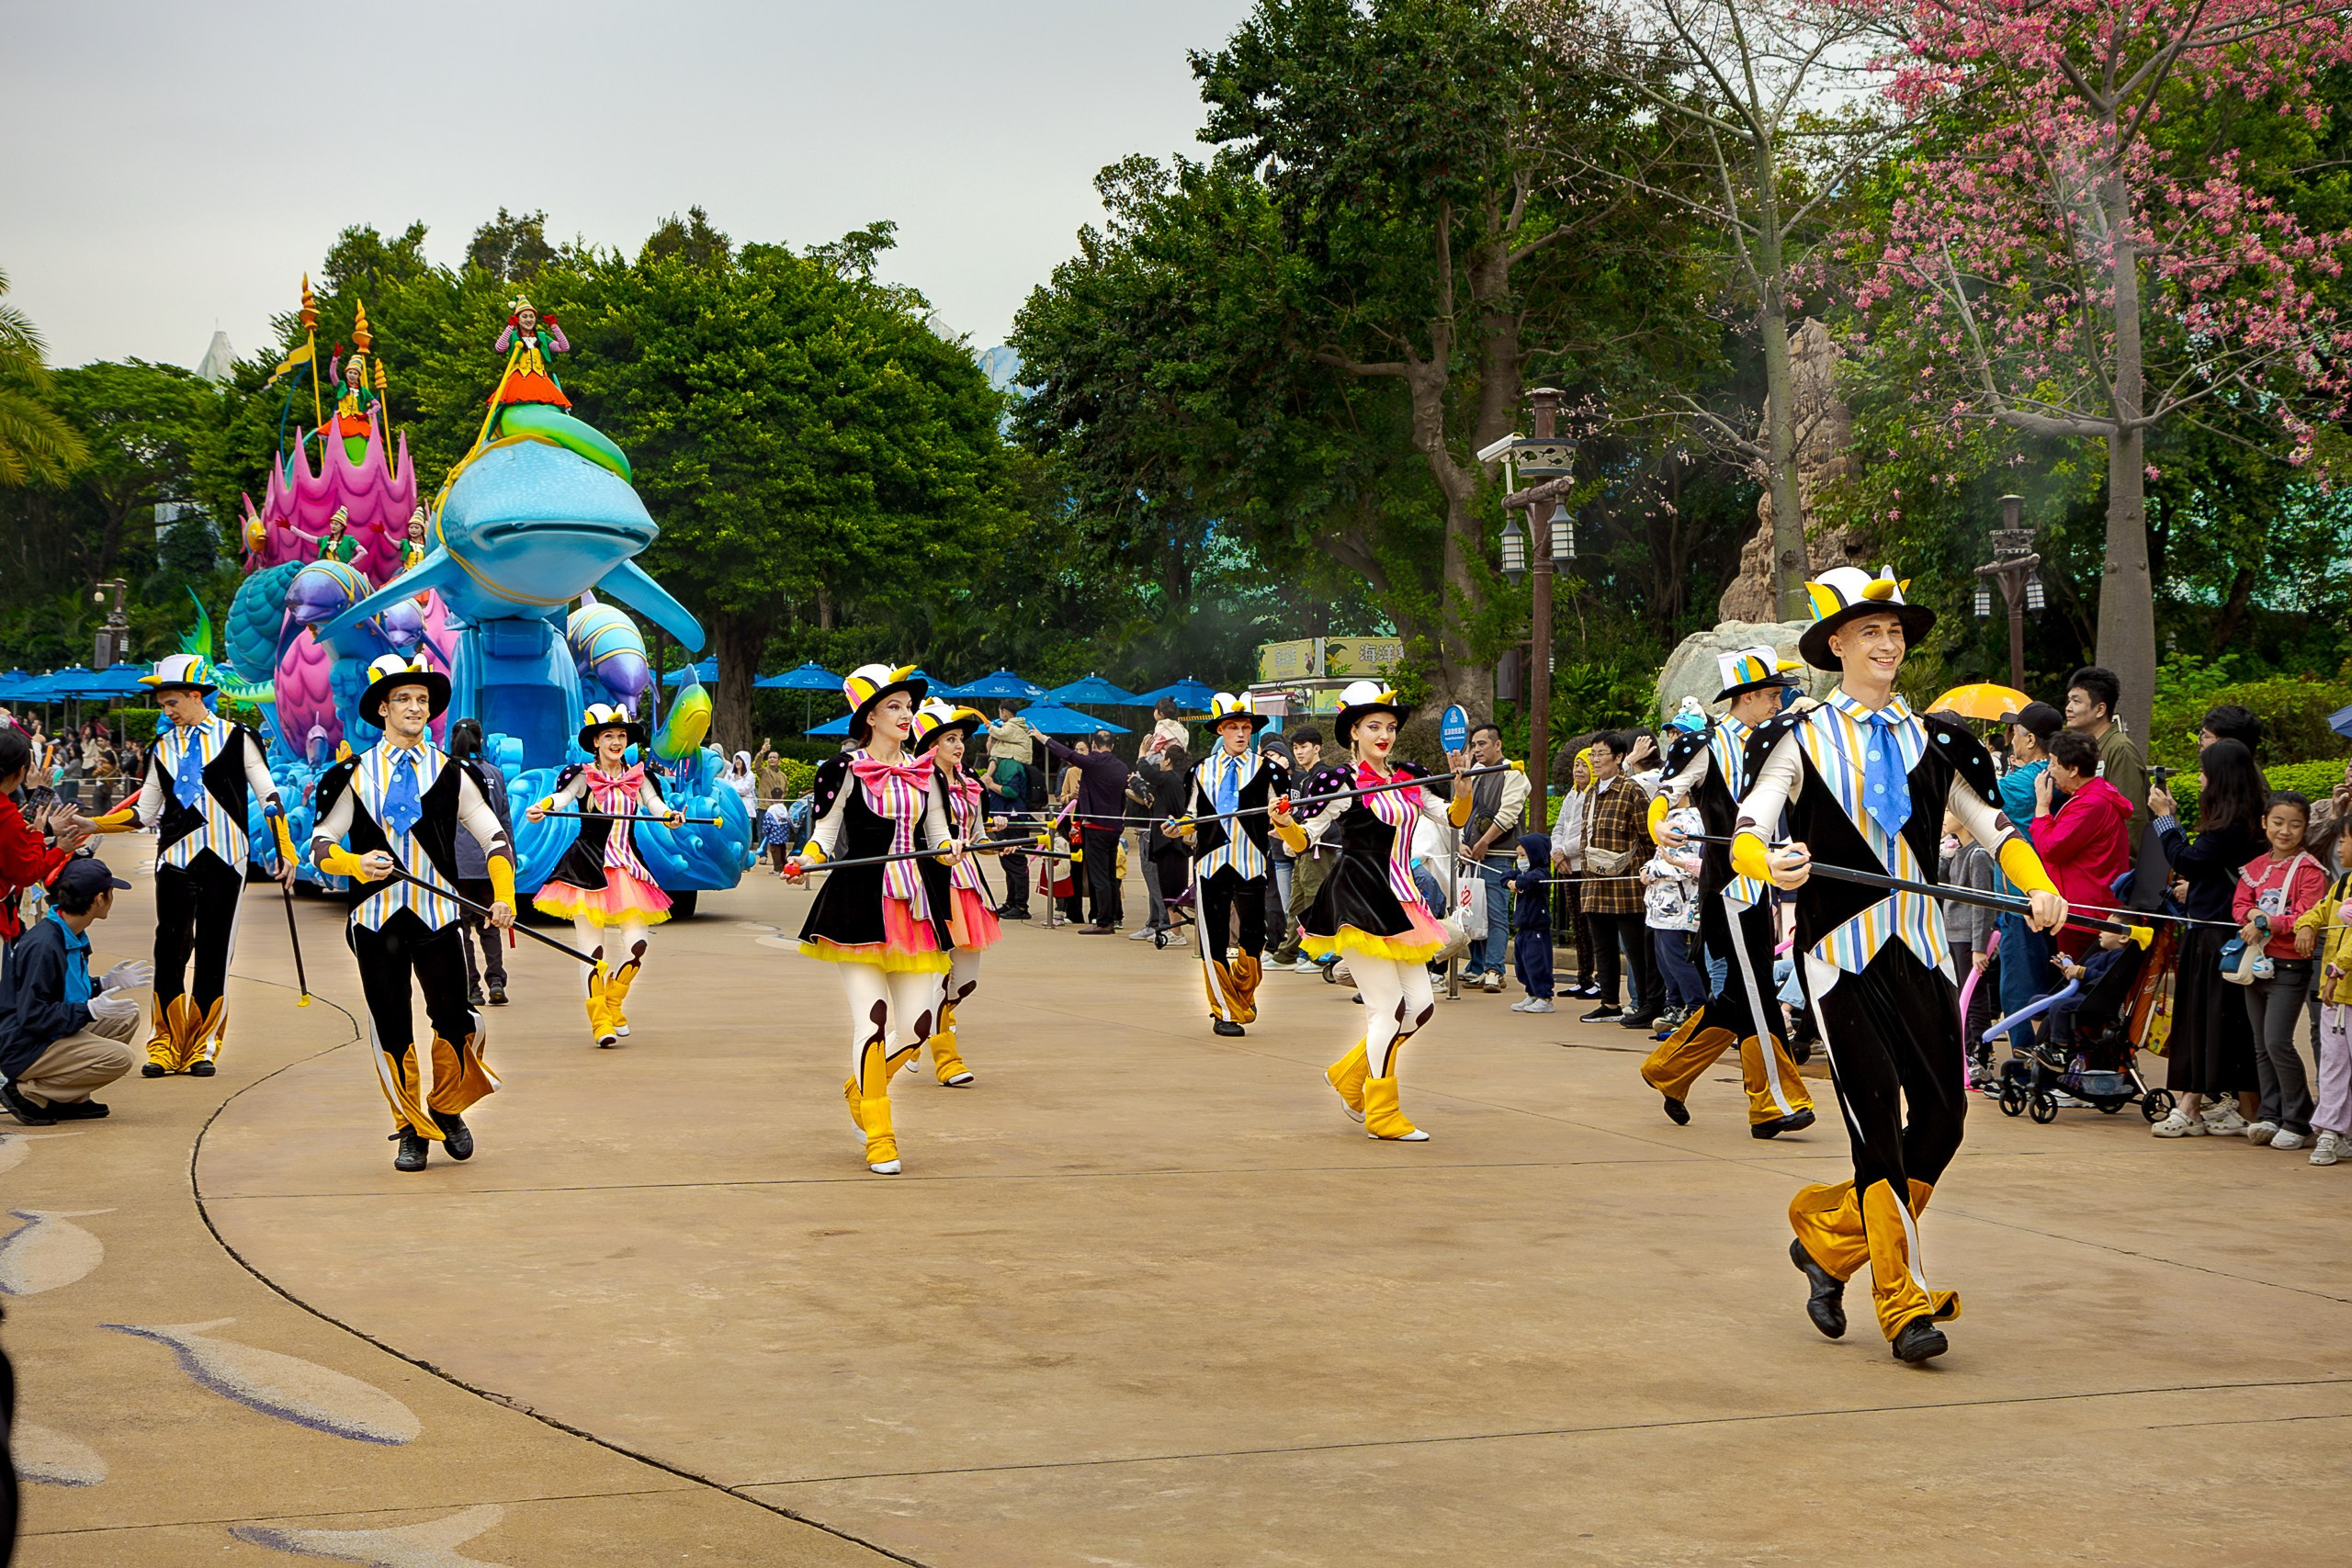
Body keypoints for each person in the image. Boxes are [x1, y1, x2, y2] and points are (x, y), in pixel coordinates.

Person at [1736, 566, 2066, 1363]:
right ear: (1837, 644)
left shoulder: (1936, 739)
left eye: (1896, 633)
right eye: (1871, 632)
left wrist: (2040, 886)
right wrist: (1766, 863)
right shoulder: (1799, 736)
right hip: (1840, 956)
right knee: (1874, 1120)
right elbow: (1752, 824)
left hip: (1920, 949)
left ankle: (1828, 1241)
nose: (1888, 644)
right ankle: (1902, 1301)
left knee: (1946, 1119)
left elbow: (1994, 827)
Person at [310, 655, 515, 1172]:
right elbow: (320, 845)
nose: (415, 707)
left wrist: (504, 895)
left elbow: (493, 837)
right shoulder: (349, 775)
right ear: (382, 708)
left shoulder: (453, 771)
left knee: (455, 1018)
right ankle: (410, 1128)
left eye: (422, 700)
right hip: (375, 922)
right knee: (391, 1024)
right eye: (403, 698)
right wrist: (355, 863)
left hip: (439, 916)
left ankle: (446, 1108)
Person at [785, 664, 959, 1176]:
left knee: (919, 1026)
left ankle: (861, 1086)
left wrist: (951, 850)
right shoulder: (842, 769)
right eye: (894, 707)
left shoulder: (926, 772)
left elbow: (939, 835)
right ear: (870, 716)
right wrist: (807, 859)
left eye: (909, 707)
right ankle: (880, 1135)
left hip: (916, 907)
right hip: (857, 907)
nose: (907, 715)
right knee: (875, 1019)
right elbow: (826, 830)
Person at [86, 654, 297, 1077]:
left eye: (172, 703)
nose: (167, 712)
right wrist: (92, 824)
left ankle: (202, 1044)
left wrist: (286, 850)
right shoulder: (161, 747)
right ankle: (164, 1044)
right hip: (175, 861)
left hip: (226, 859)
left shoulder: (238, 738)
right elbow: (144, 814)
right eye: (163, 704)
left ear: (196, 696)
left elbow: (269, 797)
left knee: (215, 951)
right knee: (170, 949)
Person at [1277, 682, 1472, 1140]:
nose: (1383, 734)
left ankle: (1349, 1076)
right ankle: (1381, 1111)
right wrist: (1286, 824)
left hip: (1403, 902)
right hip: (1358, 897)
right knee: (1388, 1008)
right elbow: (1308, 838)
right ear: (1354, 733)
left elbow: (1453, 818)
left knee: (1420, 1008)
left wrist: (1462, 791)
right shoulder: (1340, 782)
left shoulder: (1409, 776)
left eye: (1389, 726)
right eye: (1373, 726)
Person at [1638, 650, 1816, 1136]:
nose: (1779, 703)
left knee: (1738, 998)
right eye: (1773, 695)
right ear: (1748, 696)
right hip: (1726, 886)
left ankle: (1667, 1069)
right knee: (1757, 993)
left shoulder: (1782, 740)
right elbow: (1667, 792)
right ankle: (1773, 1104)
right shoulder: (1706, 742)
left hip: (1764, 882)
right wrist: (1659, 826)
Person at [526, 705, 685, 1048]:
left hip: (628, 868)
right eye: (609, 736)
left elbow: (656, 805)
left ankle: (613, 1001)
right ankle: (600, 1019)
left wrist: (670, 815)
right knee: (591, 950)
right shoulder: (583, 775)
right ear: (596, 741)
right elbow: (563, 797)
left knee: (637, 945)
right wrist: (544, 806)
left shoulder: (640, 777)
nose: (616, 742)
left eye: (622, 736)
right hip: (586, 869)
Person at [2148, 741, 2268, 1138]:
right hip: (2226, 930)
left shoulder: (2229, 825)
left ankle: (2191, 1103)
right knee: (2227, 1021)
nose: (2200, 779)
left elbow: (2189, 860)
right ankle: (2241, 1105)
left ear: (2219, 778)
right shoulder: (2248, 819)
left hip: (2216, 933)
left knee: (2203, 1017)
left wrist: (2164, 820)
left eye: (2203, 772)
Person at [0, 859, 147, 1127]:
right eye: (111, 892)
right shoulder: (45, 944)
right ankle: (28, 1094)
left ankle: (70, 1099)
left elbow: (61, 990)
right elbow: (33, 1014)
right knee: (118, 1057)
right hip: (23, 1046)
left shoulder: (69, 931)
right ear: (100, 898)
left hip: (44, 1033)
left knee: (125, 1016)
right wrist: (88, 1010)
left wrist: (101, 984)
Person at [1173, 694, 1287, 1036]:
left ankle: (1241, 992)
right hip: (1210, 863)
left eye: (1246, 727)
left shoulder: (1271, 771)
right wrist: (1179, 826)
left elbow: (1280, 815)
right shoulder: (1199, 770)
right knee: (1215, 938)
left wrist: (1283, 817)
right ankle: (1224, 1010)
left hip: (1251, 861)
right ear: (1220, 730)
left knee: (1254, 936)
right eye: (1233, 727)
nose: (1241, 733)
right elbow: (1189, 815)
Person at [913, 701, 1000, 1087]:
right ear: (931, 745)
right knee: (934, 975)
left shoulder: (971, 786)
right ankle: (945, 1057)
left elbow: (977, 836)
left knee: (964, 980)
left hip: (967, 885)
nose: (959, 745)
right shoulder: (916, 786)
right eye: (950, 738)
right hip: (930, 881)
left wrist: (993, 844)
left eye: (961, 738)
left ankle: (918, 1032)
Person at [2233, 791, 2325, 1149]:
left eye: (2295, 824)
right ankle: (2270, 1115)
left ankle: (2299, 1120)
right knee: (2261, 1045)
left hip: (2289, 966)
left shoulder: (2309, 870)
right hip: (2255, 963)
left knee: (2277, 1041)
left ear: (2305, 828)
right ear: (2264, 823)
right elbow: (2240, 903)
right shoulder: (2254, 867)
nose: (2285, 831)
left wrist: (2266, 920)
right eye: (2278, 822)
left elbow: (2308, 912)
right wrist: (2254, 918)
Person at [1991, 702, 2064, 1065]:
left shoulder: (2022, 781)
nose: (2011, 740)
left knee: (2017, 984)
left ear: (2031, 739)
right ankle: (2047, 1057)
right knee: (2049, 980)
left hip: (2019, 896)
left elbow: (1975, 799)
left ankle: (2022, 1064)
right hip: (2050, 893)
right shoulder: (2054, 774)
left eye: (2015, 733)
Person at [1576, 732, 1661, 1027]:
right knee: (1603, 946)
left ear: (1619, 757)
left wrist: (1648, 871)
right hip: (1594, 882)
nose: (1595, 760)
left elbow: (1649, 838)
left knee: (1637, 949)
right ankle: (1609, 1002)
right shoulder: (1589, 793)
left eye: (1601, 754)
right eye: (1593, 754)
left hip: (1627, 884)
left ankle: (1651, 1004)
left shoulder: (1632, 791)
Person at [2031, 729, 2134, 958]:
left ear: (2073, 769)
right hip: (2086, 905)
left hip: (2083, 912)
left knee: (2075, 978)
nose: (2049, 770)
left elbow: (2052, 848)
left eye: (2054, 763)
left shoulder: (2090, 804)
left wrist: (2041, 808)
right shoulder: (2094, 796)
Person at [2294, 817, 2352, 1165]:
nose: (2340, 847)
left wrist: (2335, 970)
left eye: (2344, 839)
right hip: (2336, 1000)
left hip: (2341, 988)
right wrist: (2305, 924)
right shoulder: (2342, 884)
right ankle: (2331, 1132)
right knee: (2333, 1065)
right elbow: (2319, 911)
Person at [1458, 722, 1532, 995]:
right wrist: (1463, 844)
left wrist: (1483, 842)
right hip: (1471, 854)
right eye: (1474, 744)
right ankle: (1477, 966)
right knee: (1472, 911)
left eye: (1482, 744)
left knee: (1496, 912)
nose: (1477, 749)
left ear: (1497, 744)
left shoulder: (1513, 771)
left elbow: (1508, 814)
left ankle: (1494, 969)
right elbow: (1460, 810)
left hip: (1498, 854)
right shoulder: (1475, 773)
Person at [446, 719, 513, 1009]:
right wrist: (509, 861)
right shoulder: (495, 775)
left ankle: (471, 987)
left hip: (456, 867)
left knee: (461, 930)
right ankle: (496, 981)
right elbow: (504, 822)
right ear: (481, 741)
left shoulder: (443, 773)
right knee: (491, 924)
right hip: (489, 865)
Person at [1041, 729, 1131, 933]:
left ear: (1094, 744)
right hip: (1114, 826)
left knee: (1099, 876)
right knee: (1110, 875)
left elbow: (1067, 754)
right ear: (1113, 746)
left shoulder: (1094, 763)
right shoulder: (1122, 767)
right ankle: (1112, 917)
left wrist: (1043, 738)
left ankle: (1103, 921)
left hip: (1096, 827)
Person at [0, 728, 84, 947]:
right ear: (20, 772)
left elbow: (22, 821)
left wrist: (40, 793)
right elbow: (24, 869)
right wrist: (53, 844)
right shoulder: (7, 816)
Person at [1939, 810, 1998, 1077]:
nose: (1944, 815)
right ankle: (1965, 1052)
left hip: (1968, 937)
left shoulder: (1978, 855)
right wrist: (1944, 855)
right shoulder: (1959, 851)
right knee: (1958, 995)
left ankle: (1981, 1054)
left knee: (1974, 997)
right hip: (1953, 933)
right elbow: (1940, 884)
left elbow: (1982, 904)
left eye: (1950, 810)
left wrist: (1979, 946)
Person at [1641, 803, 1707, 1030]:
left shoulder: (1689, 820)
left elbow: (1686, 863)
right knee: (1664, 959)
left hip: (1678, 907)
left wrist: (1652, 872)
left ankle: (1696, 1006)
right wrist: (1647, 867)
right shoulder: (1667, 818)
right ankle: (1675, 1005)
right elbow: (1662, 856)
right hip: (1660, 905)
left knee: (1676, 959)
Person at [1270, 727, 1328, 970]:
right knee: (1297, 902)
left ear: (1317, 748)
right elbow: (1297, 812)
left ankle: (1317, 955)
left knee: (1316, 900)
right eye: (1296, 747)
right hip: (1300, 846)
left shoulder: (1324, 775)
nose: (1299, 752)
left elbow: (1323, 816)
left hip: (1322, 846)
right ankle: (1290, 952)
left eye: (1304, 746)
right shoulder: (1300, 777)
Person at [2064, 665, 2148, 819]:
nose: (2068, 708)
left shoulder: (2120, 748)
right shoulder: (2086, 748)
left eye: (2076, 701)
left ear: (2100, 709)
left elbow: (2132, 815)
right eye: (2069, 701)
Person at [1552, 746, 1600, 998]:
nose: (1579, 770)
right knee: (1577, 926)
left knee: (1592, 925)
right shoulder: (1571, 796)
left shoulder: (1594, 795)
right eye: (1576, 765)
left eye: (1584, 765)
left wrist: (1564, 852)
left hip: (1584, 867)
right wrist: (1556, 852)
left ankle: (1598, 980)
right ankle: (1583, 977)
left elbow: (1588, 832)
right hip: (1566, 867)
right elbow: (1559, 827)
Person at [1129, 742, 1188, 941]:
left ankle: (1176, 931)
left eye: (1163, 758)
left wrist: (1142, 753)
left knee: (1172, 886)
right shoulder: (1177, 781)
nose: (1161, 762)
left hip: (1170, 841)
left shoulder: (1170, 777)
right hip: (1171, 840)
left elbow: (1146, 772)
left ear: (1169, 760)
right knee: (1170, 885)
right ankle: (1173, 929)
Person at [491, 297, 571, 411]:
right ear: (518, 319)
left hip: (541, 379)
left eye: (531, 316)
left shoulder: (542, 337)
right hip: (519, 379)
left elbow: (564, 347)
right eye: (524, 316)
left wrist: (554, 327)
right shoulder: (513, 336)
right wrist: (509, 327)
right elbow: (499, 347)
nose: (529, 319)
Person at [1507, 831, 1555, 1011]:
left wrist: (1517, 883)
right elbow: (1505, 876)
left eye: (1523, 855)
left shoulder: (1540, 873)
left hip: (1537, 926)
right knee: (1522, 963)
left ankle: (1544, 996)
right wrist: (1511, 882)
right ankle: (1532, 993)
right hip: (1523, 926)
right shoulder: (1521, 873)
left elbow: (1530, 880)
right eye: (1518, 855)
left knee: (1537, 962)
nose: (1520, 860)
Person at [759, 788, 797, 874]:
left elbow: (768, 821)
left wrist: (765, 831)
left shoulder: (771, 809)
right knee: (782, 849)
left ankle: (777, 868)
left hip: (774, 833)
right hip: (783, 832)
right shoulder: (783, 808)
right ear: (782, 796)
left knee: (775, 851)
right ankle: (784, 866)